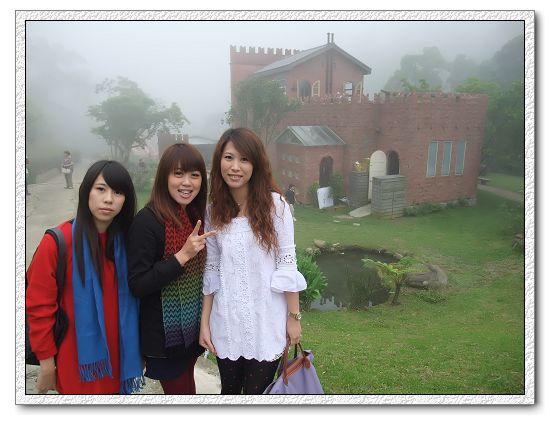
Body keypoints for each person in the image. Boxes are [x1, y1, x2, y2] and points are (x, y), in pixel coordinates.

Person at [199, 128, 307, 395]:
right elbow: (212, 269)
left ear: (256, 164)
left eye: (244, 159)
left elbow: (287, 263)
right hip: (226, 322)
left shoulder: (276, 206)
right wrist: (205, 323)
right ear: (219, 161)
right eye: (229, 158)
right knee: (229, 393)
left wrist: (293, 317)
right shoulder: (213, 211)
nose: (235, 167)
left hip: (266, 322)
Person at [26, 160, 143, 394]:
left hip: (121, 356)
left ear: (126, 200)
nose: (108, 199)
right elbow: (39, 307)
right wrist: (47, 364)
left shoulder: (129, 243)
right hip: (76, 360)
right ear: (86, 191)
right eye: (101, 189)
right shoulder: (57, 242)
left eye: (118, 192)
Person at [128, 143, 215, 395]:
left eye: (194, 175)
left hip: (191, 331)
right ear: (164, 177)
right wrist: (182, 256)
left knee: (188, 386)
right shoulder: (147, 221)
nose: (187, 182)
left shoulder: (193, 216)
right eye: (178, 173)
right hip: (164, 338)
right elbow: (137, 284)